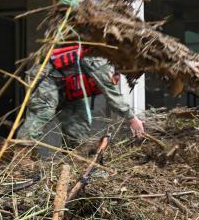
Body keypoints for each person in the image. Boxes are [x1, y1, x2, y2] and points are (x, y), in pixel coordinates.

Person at [16, 43, 145, 155]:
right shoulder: (101, 60)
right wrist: (132, 118)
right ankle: (21, 155)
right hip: (47, 77)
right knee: (45, 110)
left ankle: (72, 158)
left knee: (79, 119)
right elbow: (112, 94)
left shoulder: (111, 67)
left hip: (66, 87)